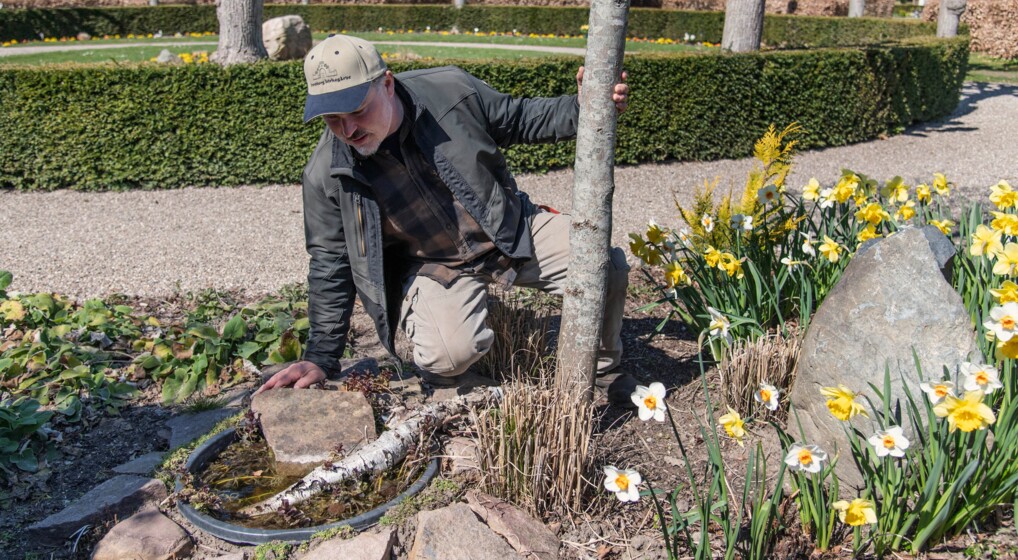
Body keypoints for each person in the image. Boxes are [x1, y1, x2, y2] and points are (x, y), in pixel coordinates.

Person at [257, 34, 634, 404]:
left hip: (507, 230)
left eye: (357, 110)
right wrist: (321, 357)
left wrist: (582, 106)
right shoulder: (325, 174)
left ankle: (603, 371)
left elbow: (519, 119)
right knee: (447, 357)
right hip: (434, 266)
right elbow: (330, 263)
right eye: (332, 119)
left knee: (603, 265)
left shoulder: (450, 91)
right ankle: (455, 348)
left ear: (387, 83)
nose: (348, 130)